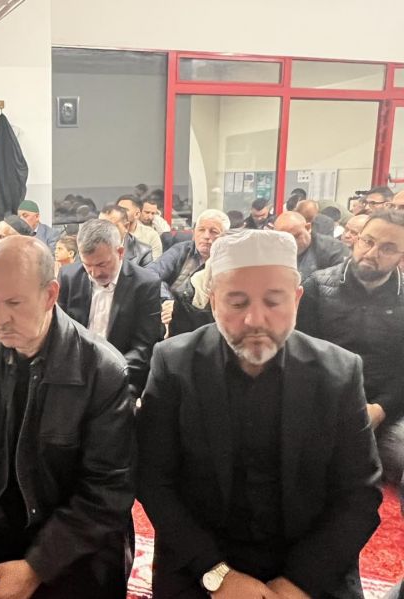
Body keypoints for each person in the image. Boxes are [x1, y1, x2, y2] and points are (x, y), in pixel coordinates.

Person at [137, 229, 382, 598]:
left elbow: (359, 494)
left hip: (308, 562)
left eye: (273, 301)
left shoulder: (338, 372)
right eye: (237, 303)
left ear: (296, 299)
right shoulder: (175, 364)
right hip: (204, 562)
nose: (255, 319)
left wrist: (299, 583)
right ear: (213, 301)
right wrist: (218, 575)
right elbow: (154, 480)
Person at [0, 235, 134, 599]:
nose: (0, 319)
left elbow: (106, 491)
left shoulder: (102, 369)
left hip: (71, 537)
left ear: (50, 294)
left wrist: (36, 567)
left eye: (14, 303)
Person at [297, 210, 404, 485]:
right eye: (368, 241)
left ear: (401, 256)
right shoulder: (317, 286)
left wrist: (381, 407)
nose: (372, 252)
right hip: (326, 401)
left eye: (388, 248)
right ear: (355, 239)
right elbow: (303, 355)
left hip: (388, 407)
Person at [58, 219, 162, 398]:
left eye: (101, 264)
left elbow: (143, 348)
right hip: (74, 373)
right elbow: (60, 334)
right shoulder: (69, 277)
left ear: (120, 252)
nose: (94, 273)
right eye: (87, 265)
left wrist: (105, 374)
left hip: (121, 374)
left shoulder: (145, 284)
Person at [148, 209, 229, 335]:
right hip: (167, 310)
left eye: (214, 232)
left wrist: (178, 308)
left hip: (202, 320)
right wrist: (168, 300)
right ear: (194, 233)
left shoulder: (228, 261)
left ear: (225, 237)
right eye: (201, 230)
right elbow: (150, 274)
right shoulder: (182, 250)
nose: (206, 236)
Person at [274, 211, 348, 279]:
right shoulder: (275, 249)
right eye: (284, 240)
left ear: (308, 228)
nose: (292, 242)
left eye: (296, 236)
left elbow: (339, 282)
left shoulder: (333, 249)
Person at [117, 195, 163, 259]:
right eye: (118, 209)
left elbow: (155, 263)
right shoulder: (109, 233)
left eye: (125, 210)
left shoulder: (151, 235)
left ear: (137, 214)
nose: (119, 213)